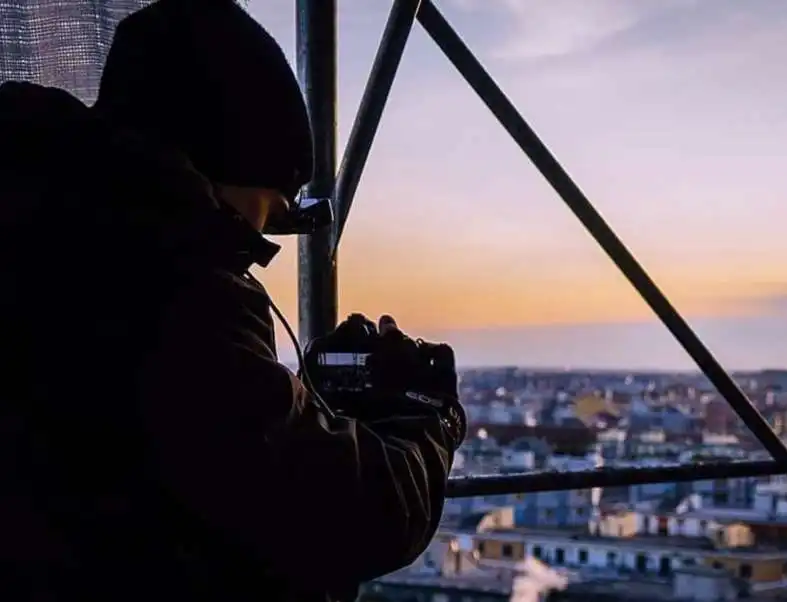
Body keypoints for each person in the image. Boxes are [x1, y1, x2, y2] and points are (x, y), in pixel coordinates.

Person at [0, 0, 465, 600]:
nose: (250, 251)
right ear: (211, 170)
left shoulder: (42, 226)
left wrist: (299, 402)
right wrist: (430, 416)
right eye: (261, 218)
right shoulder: (162, 281)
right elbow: (349, 517)